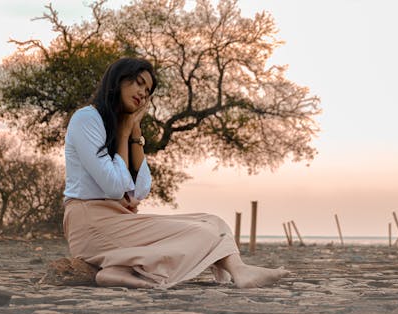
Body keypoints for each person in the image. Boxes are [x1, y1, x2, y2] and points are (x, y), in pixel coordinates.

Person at [63, 57, 290, 289]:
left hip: (119, 219)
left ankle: (239, 270)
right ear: (118, 81)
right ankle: (136, 272)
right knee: (201, 233)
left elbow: (140, 191)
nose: (143, 93)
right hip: (91, 222)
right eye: (139, 83)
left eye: (148, 90)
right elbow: (114, 187)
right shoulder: (87, 119)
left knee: (215, 222)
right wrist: (123, 135)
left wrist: (135, 133)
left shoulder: (122, 126)